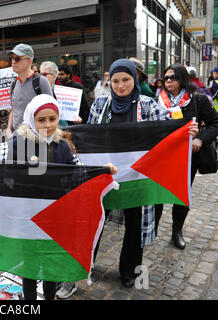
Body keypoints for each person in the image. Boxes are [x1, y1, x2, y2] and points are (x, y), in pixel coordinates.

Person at [0, 94, 118, 300]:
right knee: (29, 267)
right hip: (25, 219)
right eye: (41, 120)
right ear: (31, 119)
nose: (48, 124)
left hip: (54, 217)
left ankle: (49, 296)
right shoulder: (17, 145)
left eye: (52, 118)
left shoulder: (62, 146)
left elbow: (79, 170)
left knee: (50, 264)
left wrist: (102, 171)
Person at [87, 58, 197, 288]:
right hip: (105, 177)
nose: (120, 85)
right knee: (95, 223)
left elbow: (164, 135)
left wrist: (186, 131)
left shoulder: (148, 104)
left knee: (135, 228)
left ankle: (129, 271)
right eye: (115, 80)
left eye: (125, 79)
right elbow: (89, 137)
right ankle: (86, 263)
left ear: (134, 79)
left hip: (137, 179)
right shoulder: (99, 105)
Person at [156, 64, 218, 249]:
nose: (168, 81)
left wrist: (200, 139)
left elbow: (215, 122)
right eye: (166, 77)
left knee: (181, 195)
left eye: (173, 77)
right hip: (163, 156)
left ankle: (177, 231)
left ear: (182, 79)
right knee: (157, 194)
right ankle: (152, 230)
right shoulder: (157, 100)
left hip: (187, 158)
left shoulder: (197, 100)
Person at [6, 43, 53, 138]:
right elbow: (14, 109)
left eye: (17, 59)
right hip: (16, 138)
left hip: (36, 139)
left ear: (29, 61)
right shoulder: (14, 83)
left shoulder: (41, 81)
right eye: (12, 58)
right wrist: (8, 129)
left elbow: (51, 111)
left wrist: (43, 138)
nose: (13, 62)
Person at [40, 60, 82, 127]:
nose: (41, 77)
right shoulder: (37, 91)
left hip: (61, 131)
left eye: (44, 74)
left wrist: (74, 118)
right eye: (40, 74)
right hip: (43, 130)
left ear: (54, 76)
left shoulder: (61, 92)